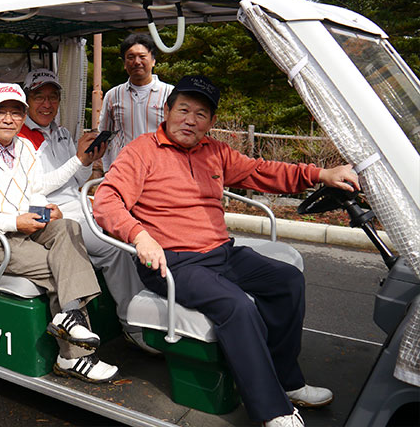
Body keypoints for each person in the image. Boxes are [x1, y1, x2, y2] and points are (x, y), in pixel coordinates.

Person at [93, 75, 361, 426]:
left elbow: (264, 172)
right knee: (236, 305)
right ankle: (272, 411)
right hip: (172, 261)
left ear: (211, 122)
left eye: (201, 114)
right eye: (184, 109)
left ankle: (287, 381)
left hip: (220, 253)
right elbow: (107, 199)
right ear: (167, 110)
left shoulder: (215, 153)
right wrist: (139, 236)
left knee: (287, 280)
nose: (190, 119)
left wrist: (321, 174)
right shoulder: (143, 150)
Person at [0, 82, 118, 383]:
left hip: (21, 228)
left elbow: (35, 191)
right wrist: (17, 223)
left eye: (16, 112)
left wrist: (45, 210)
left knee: (68, 227)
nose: (9, 119)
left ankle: (69, 319)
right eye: (0, 112)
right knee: (61, 267)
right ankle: (75, 357)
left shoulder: (23, 148)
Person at [18, 69, 155, 354]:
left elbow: (76, 181)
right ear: (27, 100)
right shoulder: (20, 138)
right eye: (39, 97)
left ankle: (152, 313)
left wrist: (90, 160)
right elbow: (37, 186)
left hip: (77, 206)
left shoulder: (61, 132)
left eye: (53, 97)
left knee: (140, 226)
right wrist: (77, 160)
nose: (47, 104)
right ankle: (134, 325)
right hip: (49, 215)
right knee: (119, 247)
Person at [98, 33, 174, 169]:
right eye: (130, 57)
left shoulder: (171, 94)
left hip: (160, 169)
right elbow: (104, 137)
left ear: (153, 60)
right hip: (123, 169)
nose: (137, 62)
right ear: (124, 64)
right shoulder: (113, 96)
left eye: (142, 57)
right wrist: (107, 170)